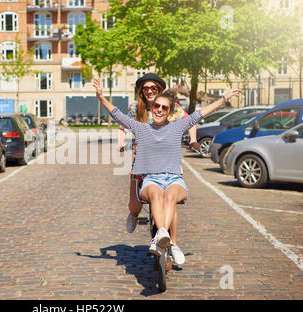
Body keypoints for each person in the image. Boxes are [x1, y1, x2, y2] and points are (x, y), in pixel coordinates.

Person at [93, 77, 241, 257]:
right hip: (149, 176)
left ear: (170, 112)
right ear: (151, 109)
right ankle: (161, 234)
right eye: (156, 107)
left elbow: (201, 113)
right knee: (151, 196)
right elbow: (117, 114)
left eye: (164, 107)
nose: (160, 110)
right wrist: (100, 97)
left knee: (170, 196)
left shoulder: (178, 126)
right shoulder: (141, 128)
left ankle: (168, 239)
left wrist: (224, 99)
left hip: (173, 178)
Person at [117, 73, 199, 264]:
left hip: (166, 163)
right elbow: (122, 127)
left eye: (153, 88)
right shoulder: (135, 109)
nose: (150, 91)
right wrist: (121, 143)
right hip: (141, 160)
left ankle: (172, 244)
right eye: (146, 88)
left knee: (171, 200)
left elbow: (189, 121)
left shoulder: (170, 107)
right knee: (136, 205)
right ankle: (135, 214)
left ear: (159, 90)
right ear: (141, 92)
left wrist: (193, 139)